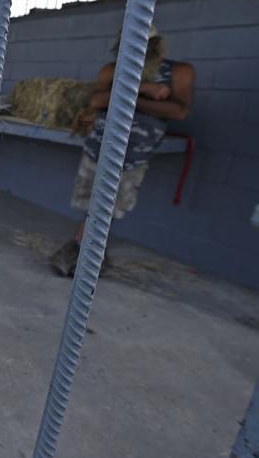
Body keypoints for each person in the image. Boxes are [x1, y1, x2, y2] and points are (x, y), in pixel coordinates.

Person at [49, 26, 194, 277]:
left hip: (135, 151)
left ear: (158, 47)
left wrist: (125, 96)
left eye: (146, 47)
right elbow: (96, 101)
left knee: (111, 205)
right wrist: (145, 91)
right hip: (99, 145)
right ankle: (87, 252)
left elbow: (179, 111)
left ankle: (81, 250)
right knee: (91, 202)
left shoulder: (178, 72)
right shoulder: (112, 70)